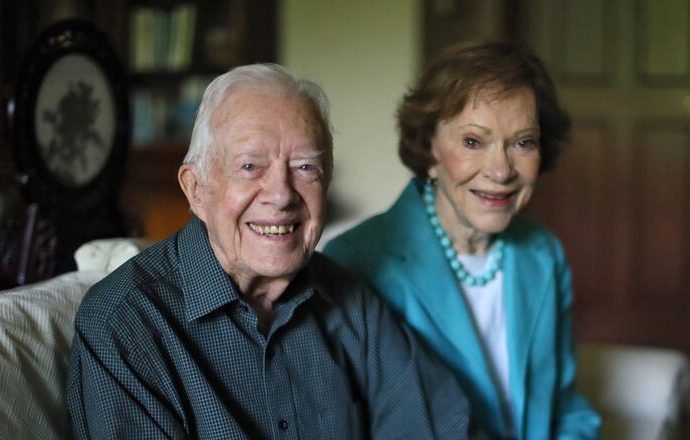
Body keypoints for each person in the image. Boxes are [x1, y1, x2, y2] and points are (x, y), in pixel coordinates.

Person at [65, 64, 473, 439]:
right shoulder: (123, 326)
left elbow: (443, 428)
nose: (281, 195)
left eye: (305, 168)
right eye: (250, 166)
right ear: (196, 189)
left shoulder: (352, 303)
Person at [324, 42, 601, 439]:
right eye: (473, 141)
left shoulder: (543, 253)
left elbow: (565, 408)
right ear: (430, 150)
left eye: (523, 142)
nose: (501, 170)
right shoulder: (356, 263)